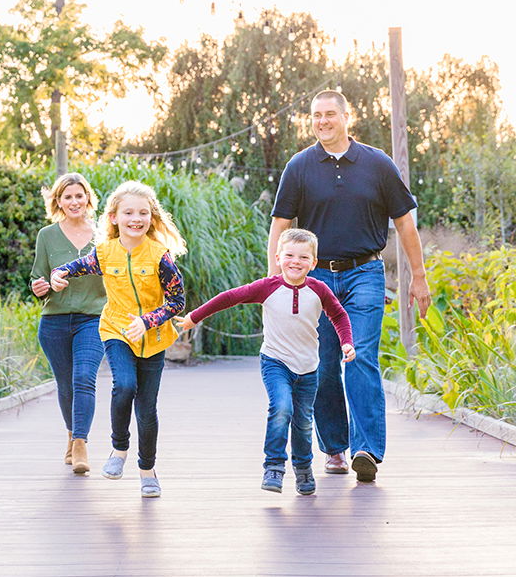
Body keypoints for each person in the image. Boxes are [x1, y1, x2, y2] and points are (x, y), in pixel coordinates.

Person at [268, 90, 431, 483]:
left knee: (358, 356)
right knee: (322, 366)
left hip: (365, 274)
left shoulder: (377, 164)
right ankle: (336, 449)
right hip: (315, 279)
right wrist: (277, 279)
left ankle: (367, 450)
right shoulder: (300, 166)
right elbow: (280, 226)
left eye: (329, 114)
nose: (322, 121)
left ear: (346, 116)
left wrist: (418, 277)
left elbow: (405, 224)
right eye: (315, 115)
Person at [177, 228, 355, 495]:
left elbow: (339, 316)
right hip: (275, 361)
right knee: (282, 408)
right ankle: (273, 466)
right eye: (290, 255)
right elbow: (230, 297)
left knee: (304, 421)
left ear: (313, 263)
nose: (296, 261)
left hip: (308, 367)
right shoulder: (267, 287)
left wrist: (346, 342)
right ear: (278, 257)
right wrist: (195, 316)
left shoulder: (320, 290)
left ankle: (303, 469)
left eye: (303, 257)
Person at [51, 180, 186, 498]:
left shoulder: (159, 257)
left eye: (142, 213)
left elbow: (177, 301)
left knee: (147, 409)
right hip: (116, 331)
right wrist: (59, 274)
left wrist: (147, 320)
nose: (135, 219)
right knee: (124, 385)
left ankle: (147, 470)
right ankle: (119, 449)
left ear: (151, 218)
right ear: (113, 217)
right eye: (128, 213)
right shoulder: (105, 253)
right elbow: (76, 267)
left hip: (152, 337)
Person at [30, 172, 106, 475]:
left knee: (84, 377)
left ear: (88, 197)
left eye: (79, 195)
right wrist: (42, 286)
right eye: (67, 196)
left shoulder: (105, 234)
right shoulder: (46, 235)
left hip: (94, 318)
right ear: (58, 201)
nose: (74, 201)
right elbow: (38, 276)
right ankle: (72, 436)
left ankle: (80, 443)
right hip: (55, 322)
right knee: (65, 385)